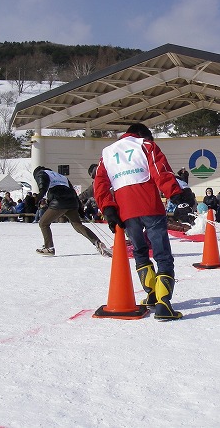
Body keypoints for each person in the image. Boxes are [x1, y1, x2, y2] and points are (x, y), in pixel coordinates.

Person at [94, 122, 187, 320]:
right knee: (162, 254)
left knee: (140, 252)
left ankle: (151, 294)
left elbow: (100, 183)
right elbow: (160, 171)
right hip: (150, 205)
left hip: (126, 211)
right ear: (142, 134)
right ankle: (163, 304)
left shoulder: (107, 153)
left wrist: (108, 209)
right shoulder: (145, 145)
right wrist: (176, 195)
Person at [33, 166, 110, 257]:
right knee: (78, 225)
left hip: (59, 202)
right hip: (72, 202)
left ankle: (49, 247)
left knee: (43, 223)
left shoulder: (41, 173)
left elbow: (42, 187)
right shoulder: (61, 176)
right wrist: (80, 209)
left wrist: (38, 198)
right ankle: (98, 243)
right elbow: (73, 192)